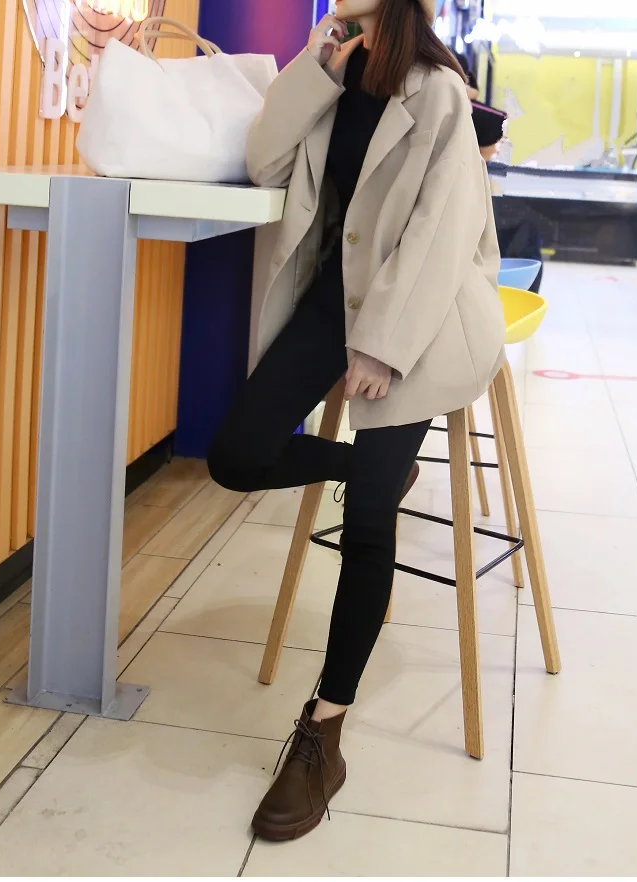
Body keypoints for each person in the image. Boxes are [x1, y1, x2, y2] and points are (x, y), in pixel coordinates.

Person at [208, 0, 505, 842]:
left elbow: (442, 233)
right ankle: (369, 466)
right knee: (235, 456)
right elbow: (264, 162)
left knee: (370, 522)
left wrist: (383, 344)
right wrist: (313, 71)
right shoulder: (333, 65)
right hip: (332, 300)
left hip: (420, 313)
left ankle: (324, 731)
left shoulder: (436, 90)